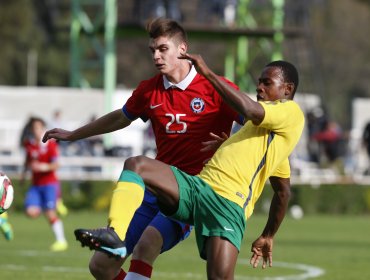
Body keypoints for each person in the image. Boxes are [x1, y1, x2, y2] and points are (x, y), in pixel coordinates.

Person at [42, 18, 243, 280]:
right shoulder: (149, 91)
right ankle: (114, 235)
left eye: (163, 49)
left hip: (194, 193)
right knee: (101, 266)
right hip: (156, 189)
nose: (156, 57)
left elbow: (254, 123)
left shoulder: (215, 87)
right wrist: (74, 135)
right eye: (152, 51)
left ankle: (116, 233)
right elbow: (120, 117)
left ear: (182, 48)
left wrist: (228, 146)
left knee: (146, 244)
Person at [72, 55, 304, 279]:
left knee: (218, 277)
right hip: (198, 188)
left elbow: (282, 191)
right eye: (259, 82)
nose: (259, 88)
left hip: (227, 204)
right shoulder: (260, 130)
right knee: (137, 165)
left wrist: (268, 235)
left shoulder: (290, 113)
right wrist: (227, 144)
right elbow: (259, 156)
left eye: (267, 82)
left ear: (287, 89)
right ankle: (114, 234)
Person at [21, 117, 68, 252]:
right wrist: (24, 175)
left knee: (50, 214)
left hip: (49, 184)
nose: (36, 130)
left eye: (38, 128)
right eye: (34, 128)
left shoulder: (50, 145)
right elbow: (27, 161)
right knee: (30, 212)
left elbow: (56, 164)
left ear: (43, 129)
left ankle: (61, 241)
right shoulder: (29, 145)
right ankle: (55, 203)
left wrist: (43, 167)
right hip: (35, 185)